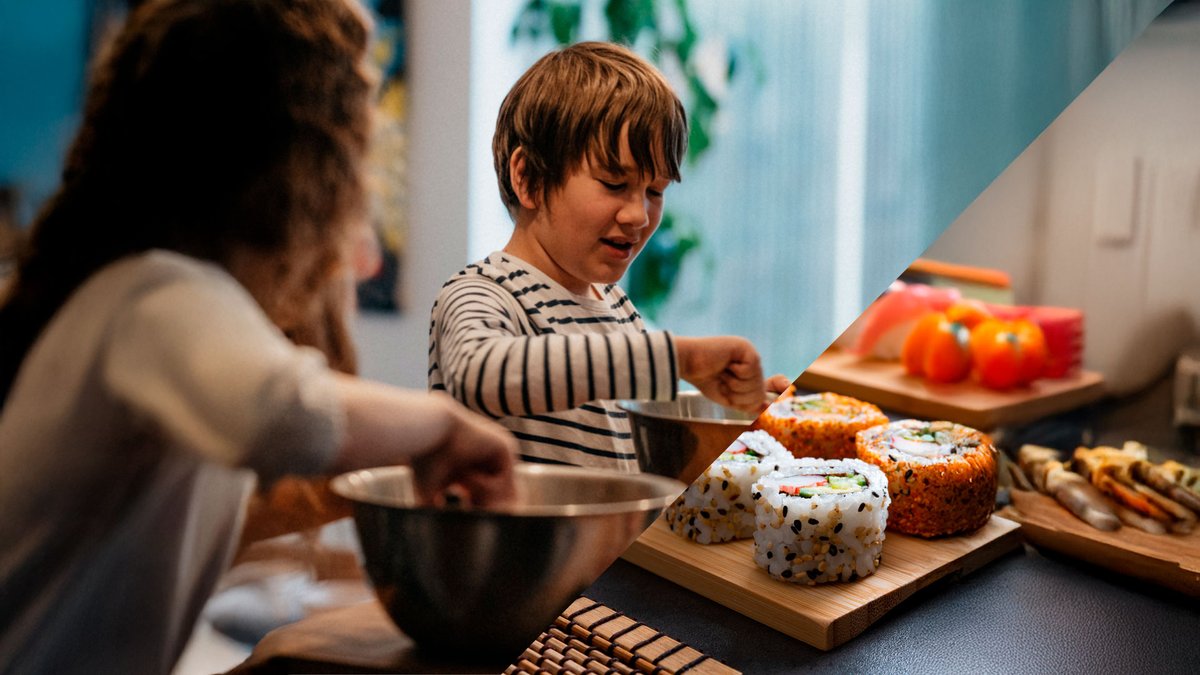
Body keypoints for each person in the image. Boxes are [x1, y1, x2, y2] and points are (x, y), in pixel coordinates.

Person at [0, 1, 516, 673]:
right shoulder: (155, 293)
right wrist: (446, 426)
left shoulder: (142, 299)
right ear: (299, 173)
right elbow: (284, 413)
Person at [428, 42, 788, 471]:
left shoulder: (618, 309)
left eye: (655, 191)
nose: (638, 214)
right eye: (614, 183)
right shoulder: (481, 294)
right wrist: (680, 358)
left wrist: (739, 409)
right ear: (528, 180)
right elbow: (479, 373)